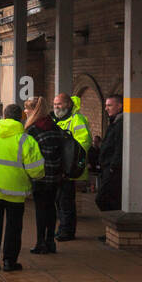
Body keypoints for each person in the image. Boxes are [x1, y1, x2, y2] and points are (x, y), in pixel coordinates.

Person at [0, 103, 44, 271]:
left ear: (4, 116)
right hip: (15, 191)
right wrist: (37, 177)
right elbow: (36, 169)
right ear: (21, 118)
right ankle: (9, 261)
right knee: (13, 228)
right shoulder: (25, 139)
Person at [24, 96, 64, 254]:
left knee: (40, 209)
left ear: (34, 110)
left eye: (27, 108)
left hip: (40, 175)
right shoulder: (54, 126)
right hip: (55, 174)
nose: (25, 111)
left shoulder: (33, 129)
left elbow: (29, 154)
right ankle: (50, 241)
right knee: (51, 207)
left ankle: (40, 242)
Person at [51, 92, 92, 241]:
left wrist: (71, 162)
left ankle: (67, 232)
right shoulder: (56, 119)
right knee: (59, 201)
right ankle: (63, 229)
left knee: (66, 202)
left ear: (68, 104)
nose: (56, 107)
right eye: (55, 104)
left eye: (59, 104)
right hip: (59, 168)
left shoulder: (77, 119)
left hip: (69, 170)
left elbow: (84, 143)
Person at [96, 94, 124, 225]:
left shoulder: (120, 124)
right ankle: (113, 226)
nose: (106, 108)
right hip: (107, 167)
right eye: (106, 105)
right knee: (111, 199)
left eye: (109, 105)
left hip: (112, 169)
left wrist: (113, 167)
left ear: (120, 106)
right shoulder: (114, 122)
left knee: (102, 198)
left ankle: (115, 223)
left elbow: (119, 147)